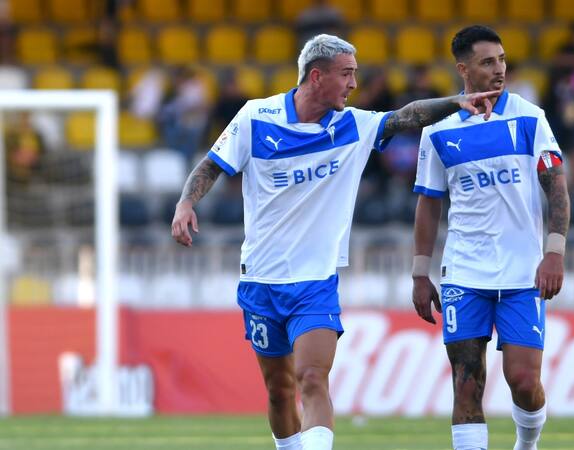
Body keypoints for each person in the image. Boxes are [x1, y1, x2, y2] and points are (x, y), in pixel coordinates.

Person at [170, 34, 499, 450]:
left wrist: (455, 102)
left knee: (312, 378)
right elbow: (211, 165)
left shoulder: (354, 126)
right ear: (317, 75)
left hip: (315, 283)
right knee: (279, 390)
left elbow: (407, 115)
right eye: (347, 74)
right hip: (260, 281)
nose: (354, 84)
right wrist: (185, 204)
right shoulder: (256, 117)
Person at [411, 26, 570, 450]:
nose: (499, 69)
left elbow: (556, 186)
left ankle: (527, 442)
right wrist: (420, 273)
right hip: (464, 271)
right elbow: (428, 204)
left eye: (501, 59)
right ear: (463, 69)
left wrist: (553, 252)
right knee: (466, 383)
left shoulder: (529, 116)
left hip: (523, 273)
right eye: (487, 62)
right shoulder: (438, 130)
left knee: (523, 380)